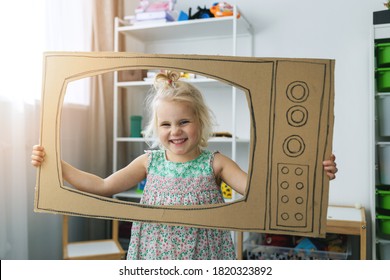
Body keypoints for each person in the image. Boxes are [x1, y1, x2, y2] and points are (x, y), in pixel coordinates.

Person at [31, 70, 338, 260]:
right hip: (155, 256)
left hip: (204, 256)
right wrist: (55, 165)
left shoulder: (215, 162)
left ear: (200, 122)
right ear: (155, 128)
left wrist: (314, 173)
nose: (175, 131)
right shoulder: (148, 162)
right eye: (166, 124)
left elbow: (263, 192)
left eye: (184, 122)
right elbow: (102, 185)